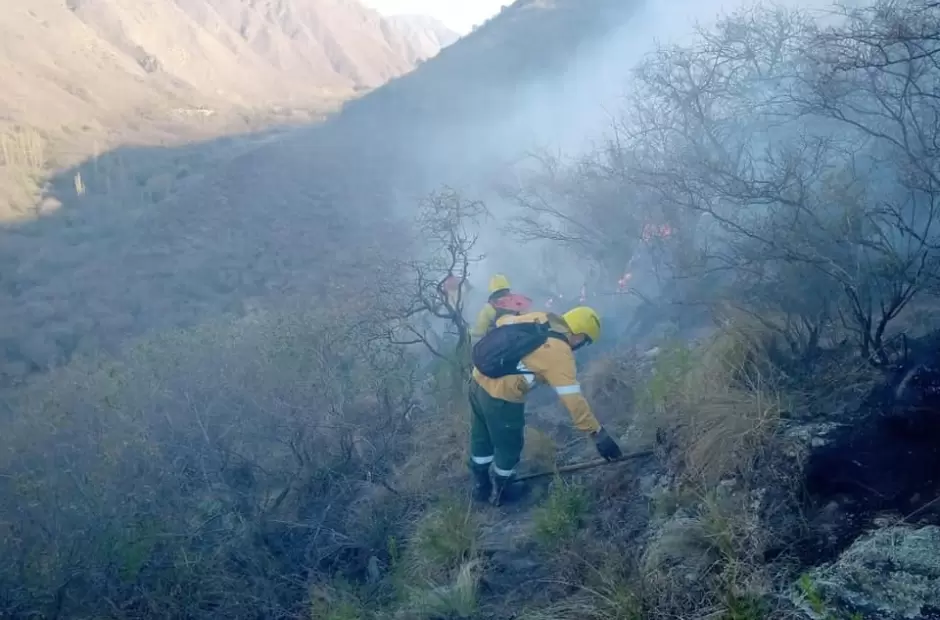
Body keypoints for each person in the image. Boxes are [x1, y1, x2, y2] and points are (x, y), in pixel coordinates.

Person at [467, 306, 624, 504]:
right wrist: (597, 433)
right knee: (509, 444)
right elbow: (573, 400)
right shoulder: (559, 352)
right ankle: (503, 490)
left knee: (481, 437)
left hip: (477, 381)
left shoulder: (539, 318)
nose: (580, 346)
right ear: (579, 335)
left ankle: (480, 487)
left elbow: (501, 322)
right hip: (501, 397)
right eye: (584, 342)